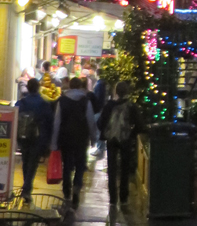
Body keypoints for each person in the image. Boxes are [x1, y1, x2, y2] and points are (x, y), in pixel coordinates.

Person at [51, 76, 98, 207]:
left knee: (67, 165)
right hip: (81, 138)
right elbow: (90, 121)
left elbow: (57, 122)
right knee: (80, 164)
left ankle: (66, 192)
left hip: (65, 138)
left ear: (70, 86)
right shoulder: (85, 101)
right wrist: (93, 139)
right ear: (80, 87)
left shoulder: (62, 101)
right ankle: (77, 187)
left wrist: (54, 143)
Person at [99, 81, 143, 207]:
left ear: (116, 91)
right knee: (125, 169)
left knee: (111, 168)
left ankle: (113, 198)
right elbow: (140, 125)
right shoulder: (131, 106)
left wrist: (106, 130)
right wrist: (131, 133)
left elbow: (101, 123)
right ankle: (123, 198)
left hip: (111, 139)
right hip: (125, 139)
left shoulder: (109, 106)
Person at [15, 78, 53, 202]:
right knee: (33, 163)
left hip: (23, 137)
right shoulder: (44, 103)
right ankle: (27, 188)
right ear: (38, 88)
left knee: (25, 161)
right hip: (38, 137)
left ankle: (26, 186)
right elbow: (49, 122)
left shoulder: (21, 102)